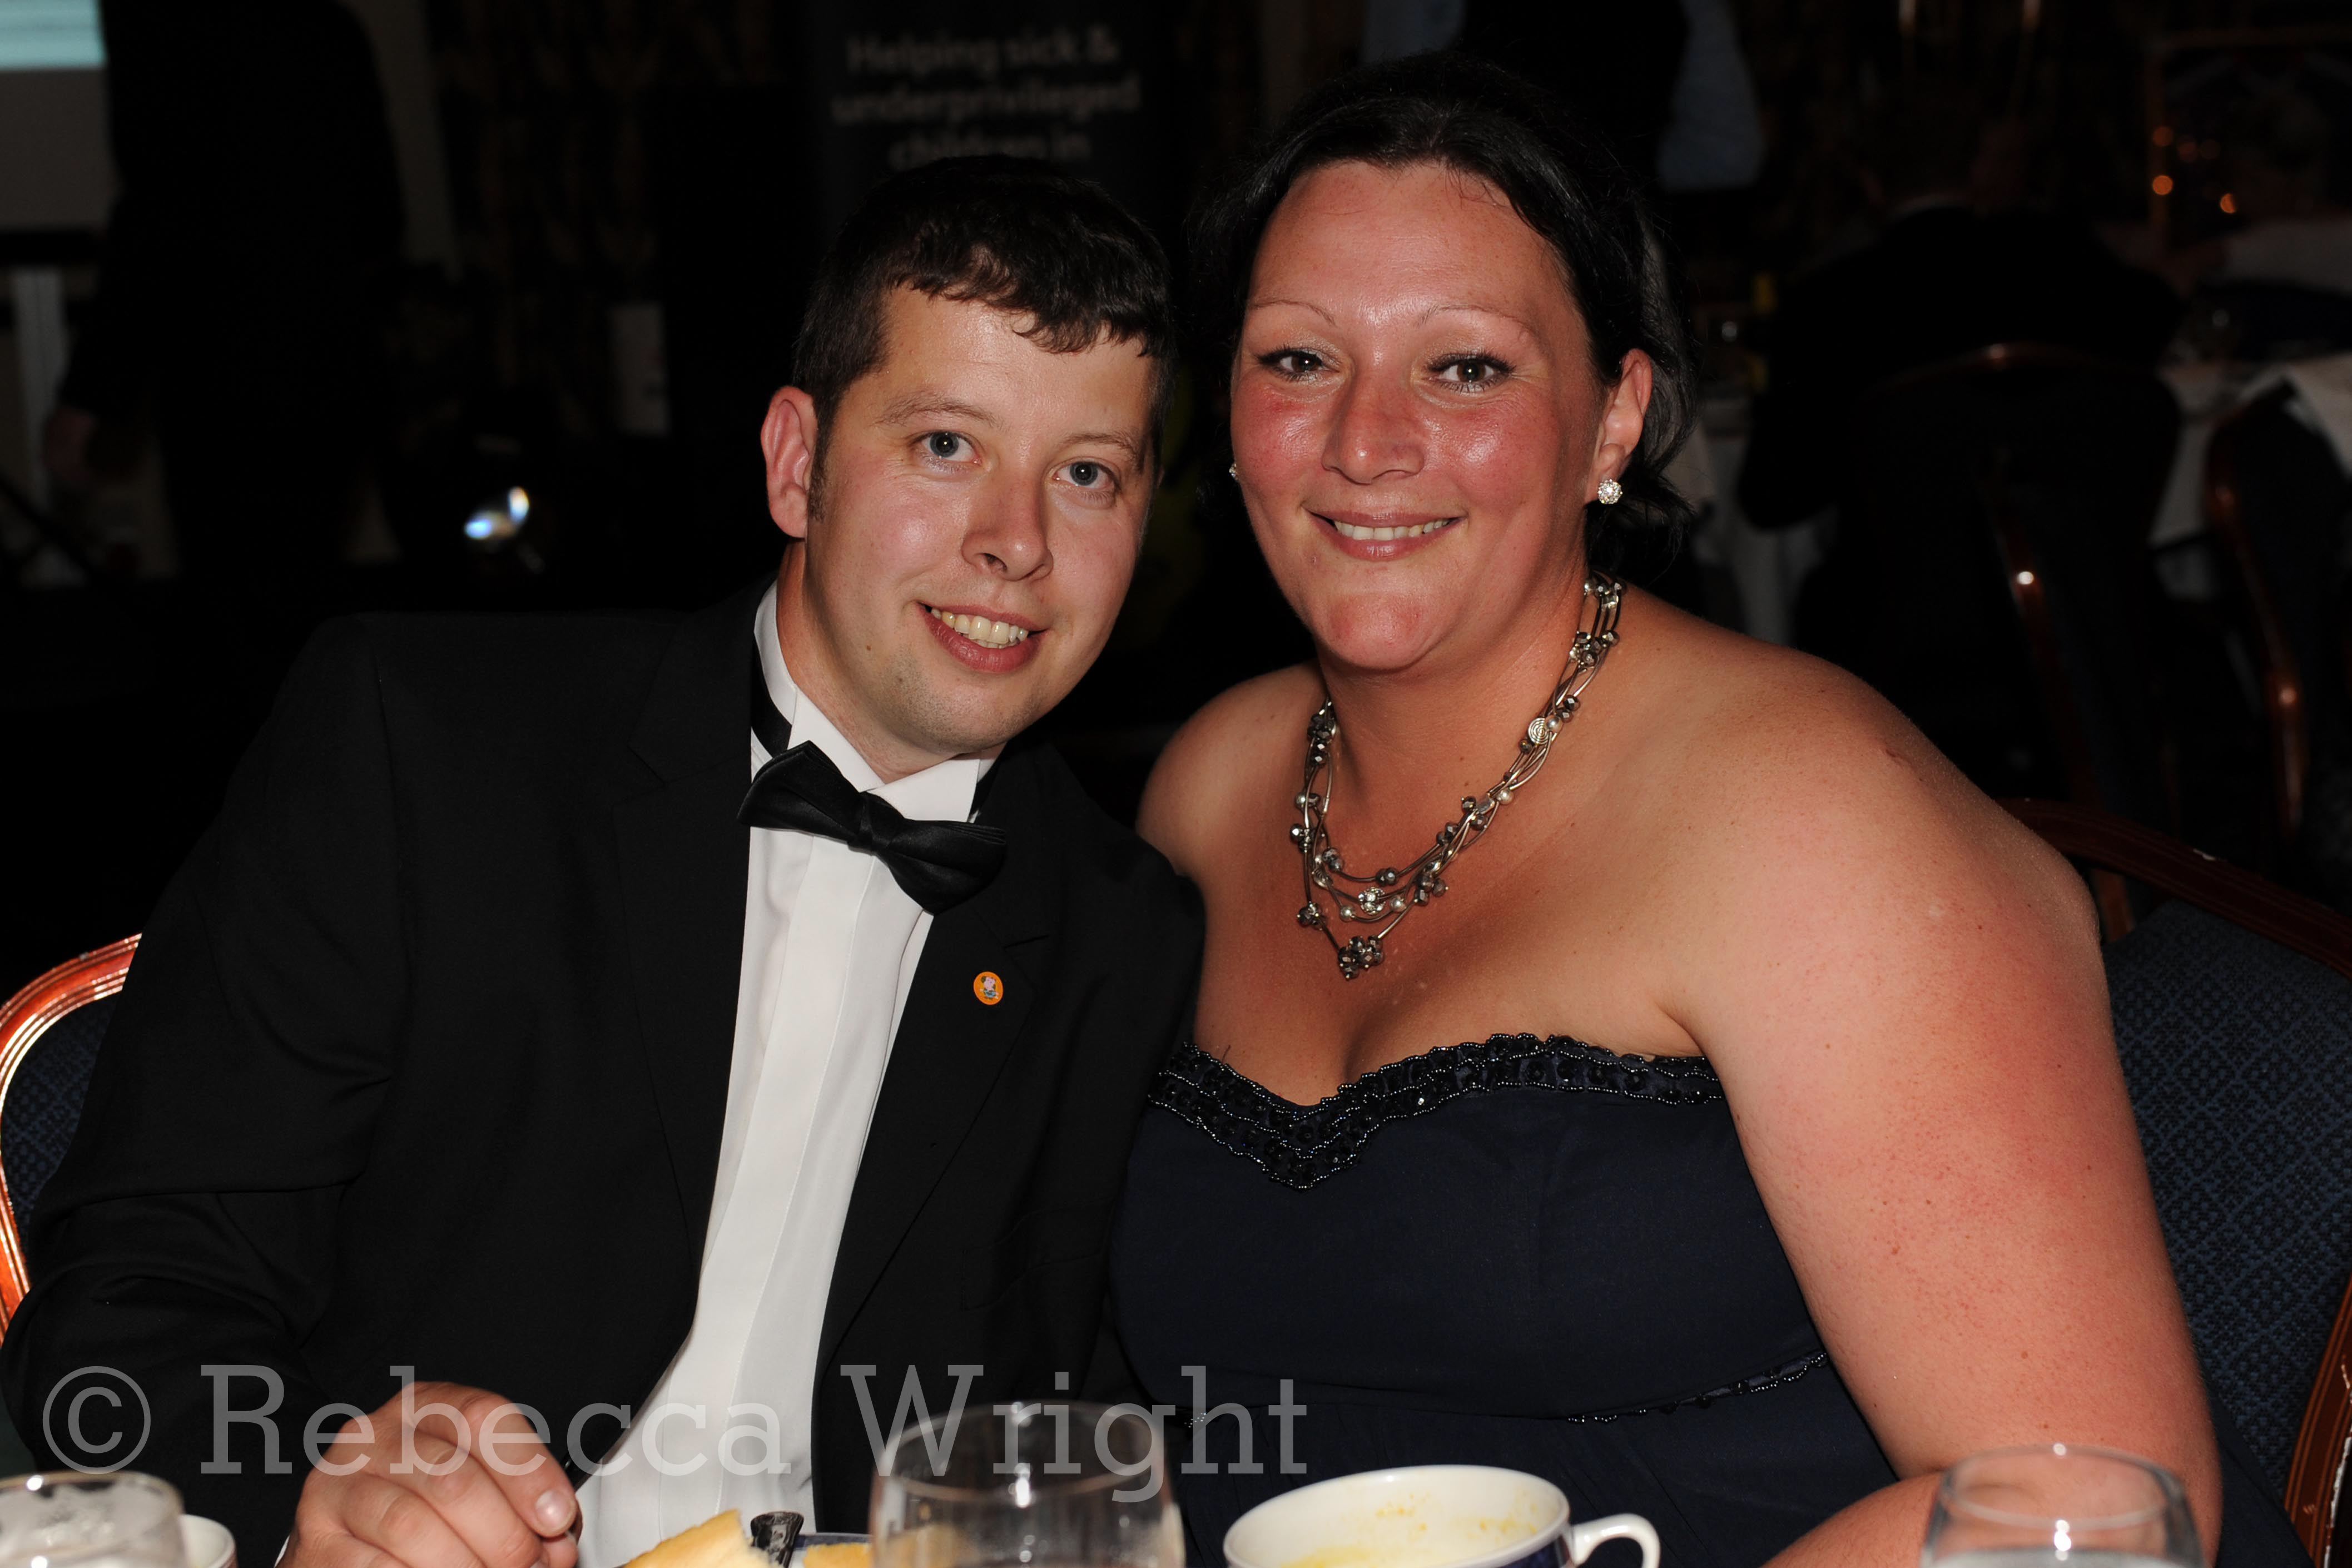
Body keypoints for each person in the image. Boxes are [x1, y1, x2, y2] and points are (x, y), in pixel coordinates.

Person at [1108, 57, 2301, 1568]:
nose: (1363, 439)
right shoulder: (1208, 786)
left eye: (1464, 366)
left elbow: (2091, 1503)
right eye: (1296, 358)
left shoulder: (1805, 815)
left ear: (1614, 420)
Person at [3, 157, 1201, 1568]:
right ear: (798, 463)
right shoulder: (425, 751)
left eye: (1087, 474)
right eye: (947, 445)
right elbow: (128, 1309)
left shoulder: (1125, 936)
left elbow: (1093, 1425)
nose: (1016, 542)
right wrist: (314, 1486)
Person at [1739, 88, 2180, 530]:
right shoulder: (2057, 258)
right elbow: (2149, 331)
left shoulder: (1826, 303)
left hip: (1896, 567)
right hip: (2075, 556)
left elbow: (1772, 496)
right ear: (1978, 169)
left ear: (1871, 183)